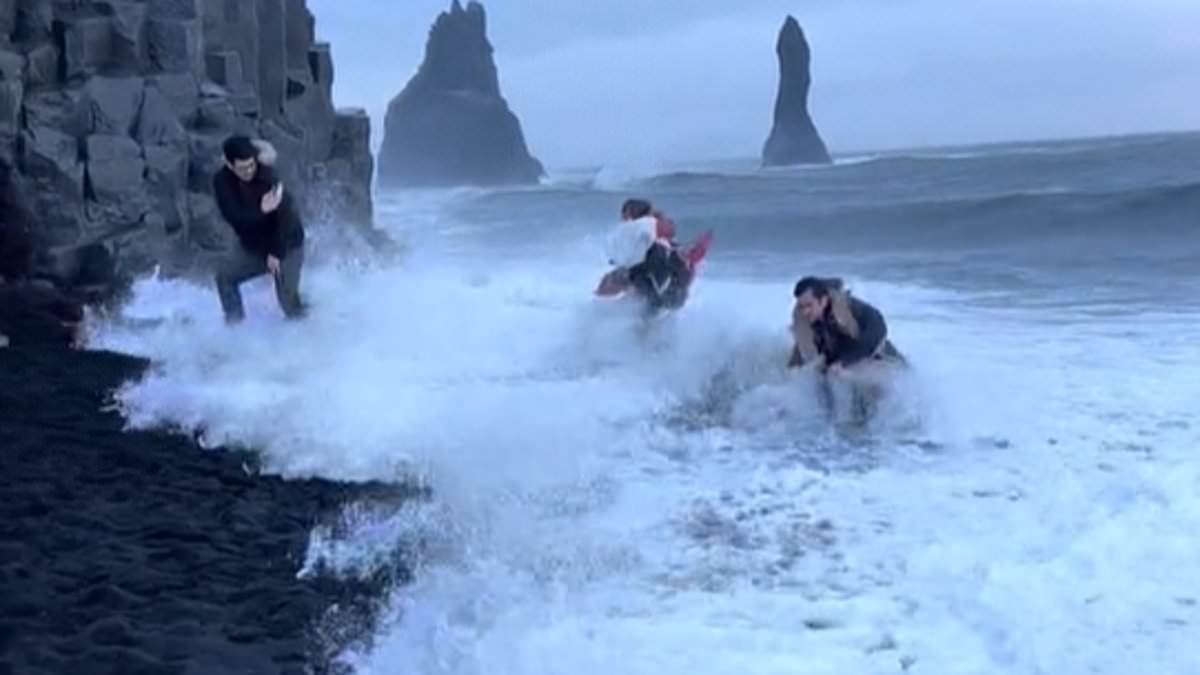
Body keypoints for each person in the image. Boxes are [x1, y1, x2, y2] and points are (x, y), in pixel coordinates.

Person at [212, 135, 307, 323]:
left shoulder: (267, 177)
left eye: (251, 165)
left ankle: (313, 325)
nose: (249, 171)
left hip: (286, 245)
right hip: (255, 246)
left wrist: (276, 253)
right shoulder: (222, 182)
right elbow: (235, 217)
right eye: (242, 168)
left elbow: (286, 219)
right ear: (230, 166)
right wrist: (261, 210)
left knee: (288, 303)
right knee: (225, 277)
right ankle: (235, 327)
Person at [598, 198, 709, 314]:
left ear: (629, 214)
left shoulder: (642, 230)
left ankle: (600, 309)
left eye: (624, 214)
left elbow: (622, 263)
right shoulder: (653, 234)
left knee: (628, 275)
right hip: (672, 295)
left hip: (659, 293)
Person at [787, 276, 905, 372]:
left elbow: (877, 330)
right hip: (835, 359)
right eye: (801, 306)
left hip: (871, 352)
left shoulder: (852, 307)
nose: (805, 312)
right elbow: (804, 350)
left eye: (809, 305)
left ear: (823, 301)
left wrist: (845, 362)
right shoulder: (804, 318)